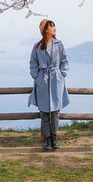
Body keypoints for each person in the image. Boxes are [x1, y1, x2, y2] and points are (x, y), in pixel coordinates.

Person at [28, 18, 69, 151]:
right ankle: (47, 139)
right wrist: (37, 77)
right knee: (44, 113)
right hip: (43, 81)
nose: (54, 28)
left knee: (55, 112)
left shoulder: (59, 44)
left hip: (56, 80)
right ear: (46, 29)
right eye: (52, 26)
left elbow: (64, 61)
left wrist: (61, 75)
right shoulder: (37, 46)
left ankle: (54, 137)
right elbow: (33, 64)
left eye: (54, 26)